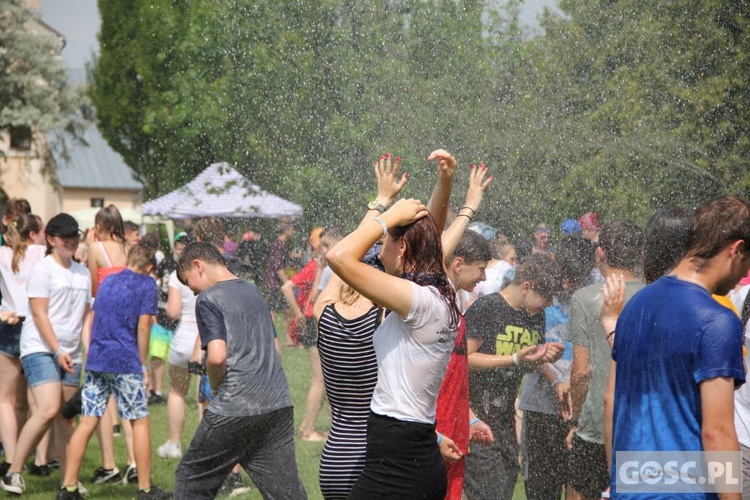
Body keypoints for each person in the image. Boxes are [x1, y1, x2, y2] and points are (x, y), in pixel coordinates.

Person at [326, 149, 464, 499]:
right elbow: (426, 240)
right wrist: (444, 183)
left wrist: (387, 216)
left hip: (399, 465)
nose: (377, 250)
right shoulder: (435, 291)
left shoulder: (418, 301)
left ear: (401, 249)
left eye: (384, 243)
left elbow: (338, 257)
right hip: (406, 455)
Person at [609, 195, 750, 499]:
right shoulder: (716, 321)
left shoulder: (634, 307)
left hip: (630, 486)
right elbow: (718, 433)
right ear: (736, 249)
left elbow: (614, 403)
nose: (743, 276)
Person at [173, 242, 306, 499]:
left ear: (198, 266)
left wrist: (215, 384)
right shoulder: (252, 290)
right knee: (287, 493)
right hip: (277, 405)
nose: (192, 292)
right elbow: (276, 349)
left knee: (190, 480)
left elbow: (217, 356)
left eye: (189, 283)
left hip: (236, 407)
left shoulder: (209, 298)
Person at [57, 244, 171, 500]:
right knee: (139, 420)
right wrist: (142, 365)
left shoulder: (107, 282)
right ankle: (145, 489)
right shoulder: (146, 285)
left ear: (129, 259)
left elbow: (96, 317)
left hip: (98, 360)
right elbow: (143, 328)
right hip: (125, 361)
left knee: (87, 421)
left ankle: (69, 488)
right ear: (150, 267)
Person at [463, 254, 565, 500]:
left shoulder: (534, 314)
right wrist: (514, 359)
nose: (549, 304)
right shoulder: (487, 308)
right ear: (527, 287)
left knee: (505, 486)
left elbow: (527, 359)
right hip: (477, 418)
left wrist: (551, 371)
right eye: (546, 297)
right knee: (489, 492)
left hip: (505, 423)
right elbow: (464, 358)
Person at [2, 214, 90, 495]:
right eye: (65, 237)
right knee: (49, 409)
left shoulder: (83, 272)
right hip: (40, 348)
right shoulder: (44, 269)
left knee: (66, 417)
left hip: (70, 352)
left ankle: (70, 481)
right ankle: (13, 472)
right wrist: (57, 350)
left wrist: (87, 350)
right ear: (50, 240)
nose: (71, 241)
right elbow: (39, 314)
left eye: (74, 236)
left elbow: (86, 316)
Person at [567, 220, 644, 500]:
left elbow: (581, 371)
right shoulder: (652, 295)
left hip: (595, 425)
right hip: (639, 424)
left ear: (601, 253)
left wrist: (573, 422)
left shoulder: (586, 298)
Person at [518, 236, 596, 500]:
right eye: (565, 277)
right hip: (541, 406)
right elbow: (528, 344)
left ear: (590, 268)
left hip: (584, 409)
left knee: (582, 486)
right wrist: (555, 380)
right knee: (541, 490)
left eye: (575, 279)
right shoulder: (541, 288)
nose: (568, 285)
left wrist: (580, 389)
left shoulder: (598, 294)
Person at [282, 227, 342, 442]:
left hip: (318, 323)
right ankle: (308, 428)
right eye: (322, 245)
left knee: (327, 380)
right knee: (321, 380)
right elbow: (313, 297)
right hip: (315, 324)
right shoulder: (322, 268)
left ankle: (320, 426)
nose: (321, 250)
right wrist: (299, 315)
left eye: (327, 245)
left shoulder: (328, 267)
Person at [86, 204, 131, 485]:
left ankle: (108, 464)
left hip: (104, 324)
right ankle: (134, 462)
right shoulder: (128, 249)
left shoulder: (96, 249)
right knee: (128, 396)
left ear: (99, 227)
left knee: (101, 394)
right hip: (127, 324)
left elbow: (94, 290)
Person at [0, 214, 46, 477]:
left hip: (9, 321)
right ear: (34, 234)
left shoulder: (3, 254)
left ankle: (9, 458)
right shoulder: (41, 252)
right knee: (38, 400)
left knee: (5, 400)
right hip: (35, 323)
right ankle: (40, 460)